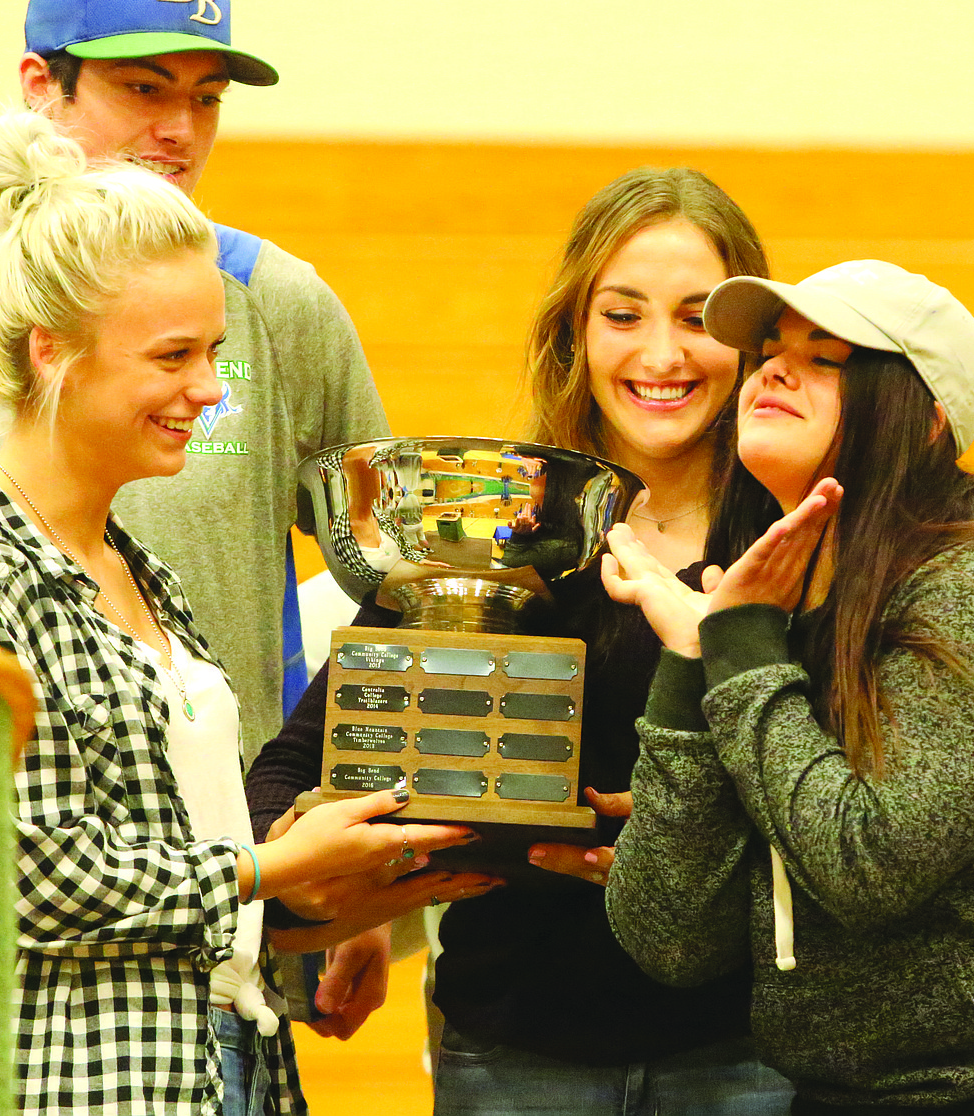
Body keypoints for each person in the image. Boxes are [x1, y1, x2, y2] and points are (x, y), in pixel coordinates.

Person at [0, 110, 477, 1116]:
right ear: (52, 352)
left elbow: (184, 866)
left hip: (218, 1055)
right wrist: (274, 863)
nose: (206, 389)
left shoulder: (138, 572)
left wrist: (330, 888)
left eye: (213, 353)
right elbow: (28, 875)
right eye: (173, 356)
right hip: (70, 1082)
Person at [247, 167, 797, 1113]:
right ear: (574, 334)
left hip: (750, 1051)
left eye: (698, 317)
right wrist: (329, 879)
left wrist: (695, 869)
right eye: (623, 315)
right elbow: (294, 777)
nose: (661, 354)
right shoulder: (496, 537)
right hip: (514, 1051)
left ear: (750, 342)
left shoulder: (797, 545)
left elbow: (861, 815)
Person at [603, 260, 974, 1113]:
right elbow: (671, 939)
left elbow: (865, 863)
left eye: (827, 358)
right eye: (768, 350)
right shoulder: (774, 604)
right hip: (838, 1092)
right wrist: (693, 666)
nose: (774, 369)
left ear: (926, 423)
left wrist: (736, 649)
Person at [0, 0, 387, 767]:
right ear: (42, 87)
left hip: (239, 837)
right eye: (143, 88)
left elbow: (390, 570)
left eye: (206, 99)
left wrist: (309, 778)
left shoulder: (279, 298)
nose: (179, 129)